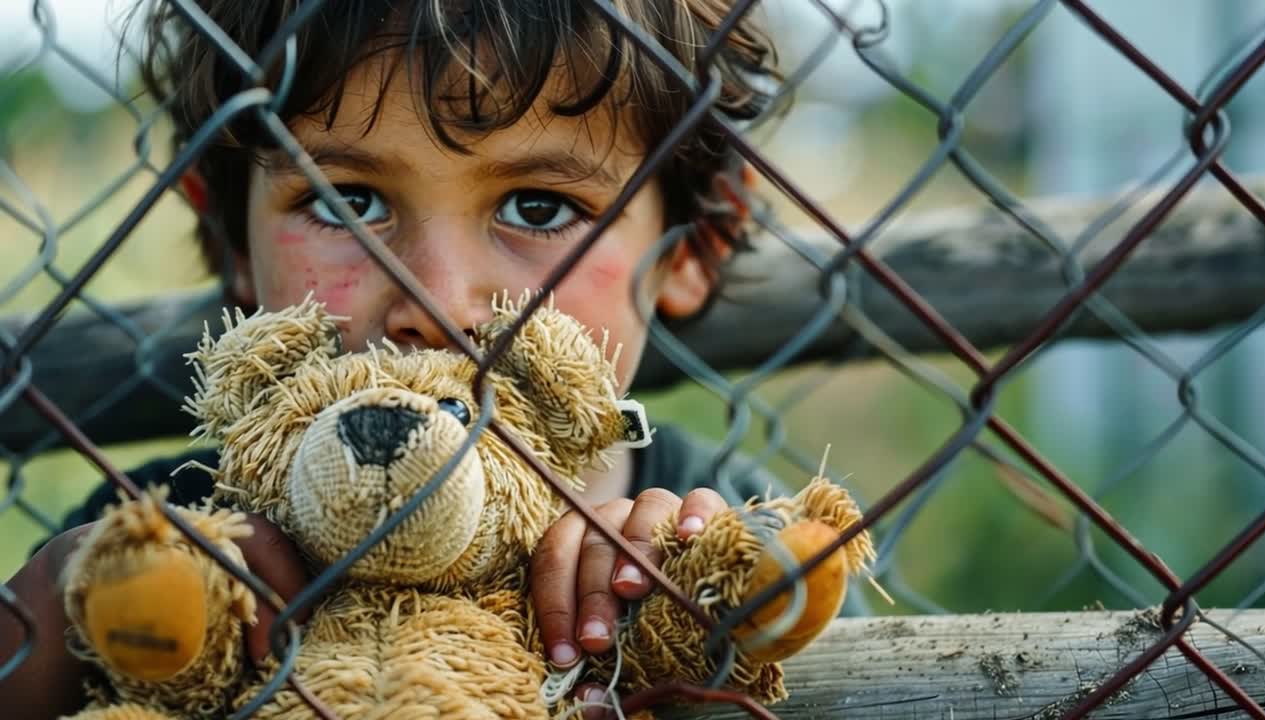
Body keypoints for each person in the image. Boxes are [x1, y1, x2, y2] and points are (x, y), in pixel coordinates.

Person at [0, 1, 788, 717]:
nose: (436, 305)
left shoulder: (716, 523)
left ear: (698, 242)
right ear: (232, 232)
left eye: (538, 207)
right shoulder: (156, 526)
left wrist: (703, 614)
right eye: (347, 201)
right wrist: (65, 598)